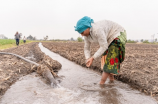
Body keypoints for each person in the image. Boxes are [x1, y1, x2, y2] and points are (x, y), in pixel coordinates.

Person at [74, 16, 127, 84]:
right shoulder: (86, 35)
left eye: (82, 32)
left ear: (87, 28)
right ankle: (111, 81)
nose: (82, 35)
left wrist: (93, 58)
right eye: (80, 33)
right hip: (109, 38)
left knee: (110, 59)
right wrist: (88, 58)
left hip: (118, 34)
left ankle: (101, 84)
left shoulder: (97, 30)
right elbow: (87, 48)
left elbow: (104, 46)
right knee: (105, 57)